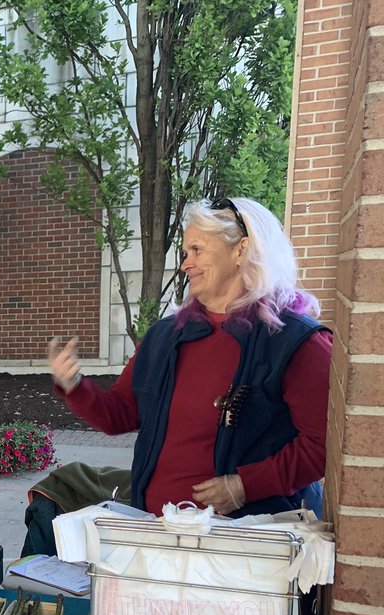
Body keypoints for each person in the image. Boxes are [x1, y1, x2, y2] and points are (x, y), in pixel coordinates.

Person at [46, 197, 331, 520]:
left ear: (241, 250)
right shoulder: (166, 336)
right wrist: (74, 385)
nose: (186, 264)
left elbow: (324, 446)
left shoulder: (298, 342)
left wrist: (244, 486)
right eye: (185, 253)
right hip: (158, 533)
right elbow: (121, 415)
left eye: (197, 250)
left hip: (250, 543)